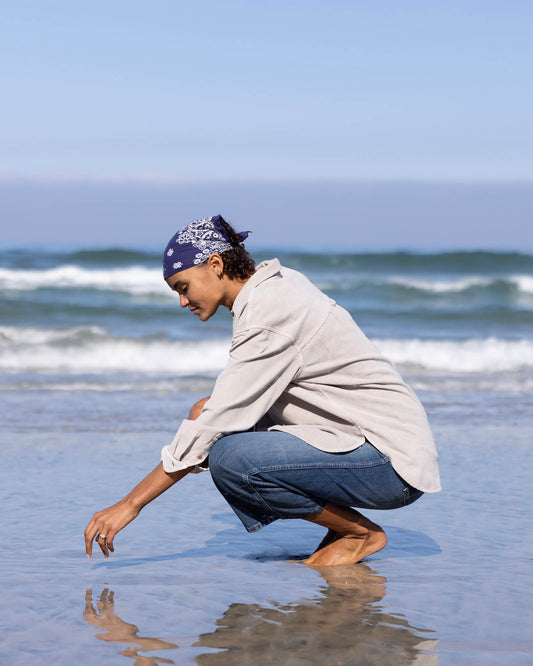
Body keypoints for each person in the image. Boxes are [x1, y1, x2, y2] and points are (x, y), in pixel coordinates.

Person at [85, 215, 441, 566]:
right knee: (203, 413)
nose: (183, 301)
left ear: (215, 264)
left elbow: (215, 425)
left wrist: (131, 504)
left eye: (183, 287)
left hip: (390, 465)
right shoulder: (274, 287)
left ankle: (359, 533)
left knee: (231, 459)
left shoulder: (269, 312)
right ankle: (342, 530)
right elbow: (218, 411)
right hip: (370, 445)